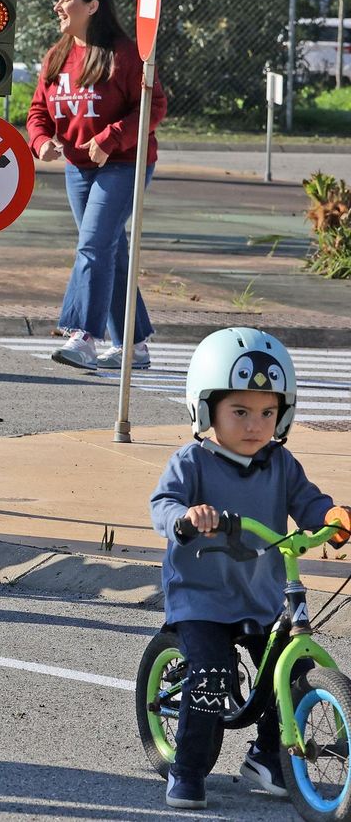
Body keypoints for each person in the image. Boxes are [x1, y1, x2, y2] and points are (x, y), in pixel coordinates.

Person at [150, 327, 350, 809]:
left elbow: (308, 501)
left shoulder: (280, 463)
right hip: (203, 597)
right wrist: (186, 518)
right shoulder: (192, 461)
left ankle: (266, 756)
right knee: (213, 674)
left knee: (296, 668)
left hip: (263, 595)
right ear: (206, 408)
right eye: (239, 411)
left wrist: (330, 517)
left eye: (267, 412)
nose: (254, 425)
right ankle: (189, 768)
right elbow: (164, 504)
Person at [27, 0, 166, 372]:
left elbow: (153, 106)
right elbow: (37, 111)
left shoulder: (125, 54)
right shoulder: (57, 56)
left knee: (92, 245)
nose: (58, 6)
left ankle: (83, 337)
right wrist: (40, 143)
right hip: (77, 168)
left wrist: (112, 137)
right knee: (111, 252)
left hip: (124, 164)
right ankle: (134, 346)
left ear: (92, 7)